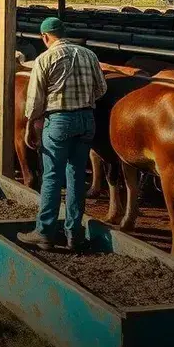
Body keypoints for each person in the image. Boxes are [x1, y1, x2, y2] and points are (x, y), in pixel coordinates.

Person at [17, 17, 107, 252]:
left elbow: (35, 99)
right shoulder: (89, 55)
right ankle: (74, 233)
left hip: (59, 120)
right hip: (87, 120)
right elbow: (101, 88)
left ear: (45, 37)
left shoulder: (44, 58)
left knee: (52, 176)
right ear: (64, 32)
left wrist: (30, 123)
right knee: (77, 176)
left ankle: (45, 232)